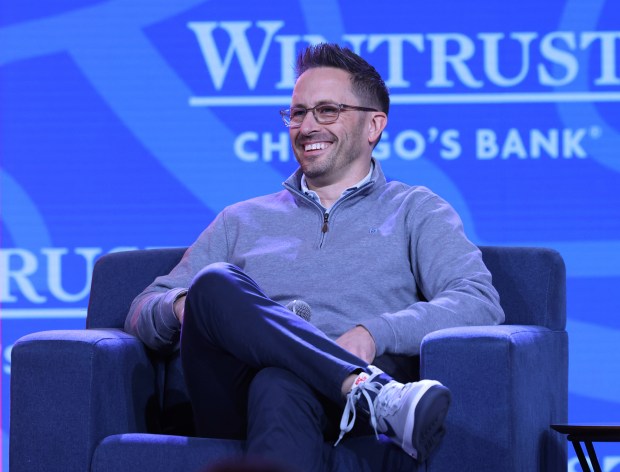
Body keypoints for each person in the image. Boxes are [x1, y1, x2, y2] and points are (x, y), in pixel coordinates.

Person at [125, 43, 504, 471]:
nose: (306, 127)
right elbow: (142, 309)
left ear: (374, 125)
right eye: (298, 113)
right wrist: (185, 307)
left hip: (339, 415)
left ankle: (356, 386)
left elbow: (477, 301)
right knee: (213, 283)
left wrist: (374, 332)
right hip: (234, 402)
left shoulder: (415, 209)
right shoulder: (241, 220)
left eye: (327, 111)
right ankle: (372, 392)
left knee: (279, 380)